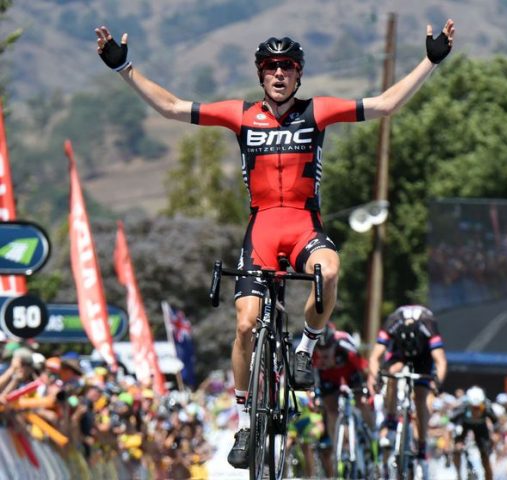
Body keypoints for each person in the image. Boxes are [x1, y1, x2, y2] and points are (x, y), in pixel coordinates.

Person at [95, 20, 455, 469]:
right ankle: (247, 420)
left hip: (304, 225)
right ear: (261, 74)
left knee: (330, 270)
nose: (279, 74)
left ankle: (304, 350)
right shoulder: (242, 114)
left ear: (299, 74)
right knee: (245, 326)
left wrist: (431, 61)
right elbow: (170, 107)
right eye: (270, 67)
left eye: (287, 67)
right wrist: (123, 67)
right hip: (262, 228)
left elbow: (384, 105)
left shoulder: (317, 111)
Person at [367, 305, 448, 478]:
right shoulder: (392, 322)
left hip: (423, 356)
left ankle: (422, 448)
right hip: (399, 351)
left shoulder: (428, 324)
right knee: (391, 373)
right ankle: (390, 420)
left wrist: (437, 384)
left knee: (420, 398)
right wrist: (376, 378)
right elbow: (374, 357)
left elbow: (440, 361)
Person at [312, 322, 372, 475]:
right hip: (328, 378)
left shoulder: (346, 348)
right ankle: (337, 447)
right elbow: (309, 379)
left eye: (327, 354)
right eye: (321, 354)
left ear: (334, 346)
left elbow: (365, 369)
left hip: (351, 373)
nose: (324, 357)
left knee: (361, 402)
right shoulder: (313, 354)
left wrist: (370, 389)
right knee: (331, 410)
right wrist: (313, 396)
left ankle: (372, 435)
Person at [450, 386, 498, 480]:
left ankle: (489, 477)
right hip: (465, 425)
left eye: (478, 408)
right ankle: (458, 475)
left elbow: (495, 421)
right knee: (457, 449)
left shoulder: (486, 407)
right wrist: (457, 439)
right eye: (473, 407)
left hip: (481, 427)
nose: (476, 410)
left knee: (485, 455)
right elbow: (452, 420)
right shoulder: (463, 407)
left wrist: (493, 435)